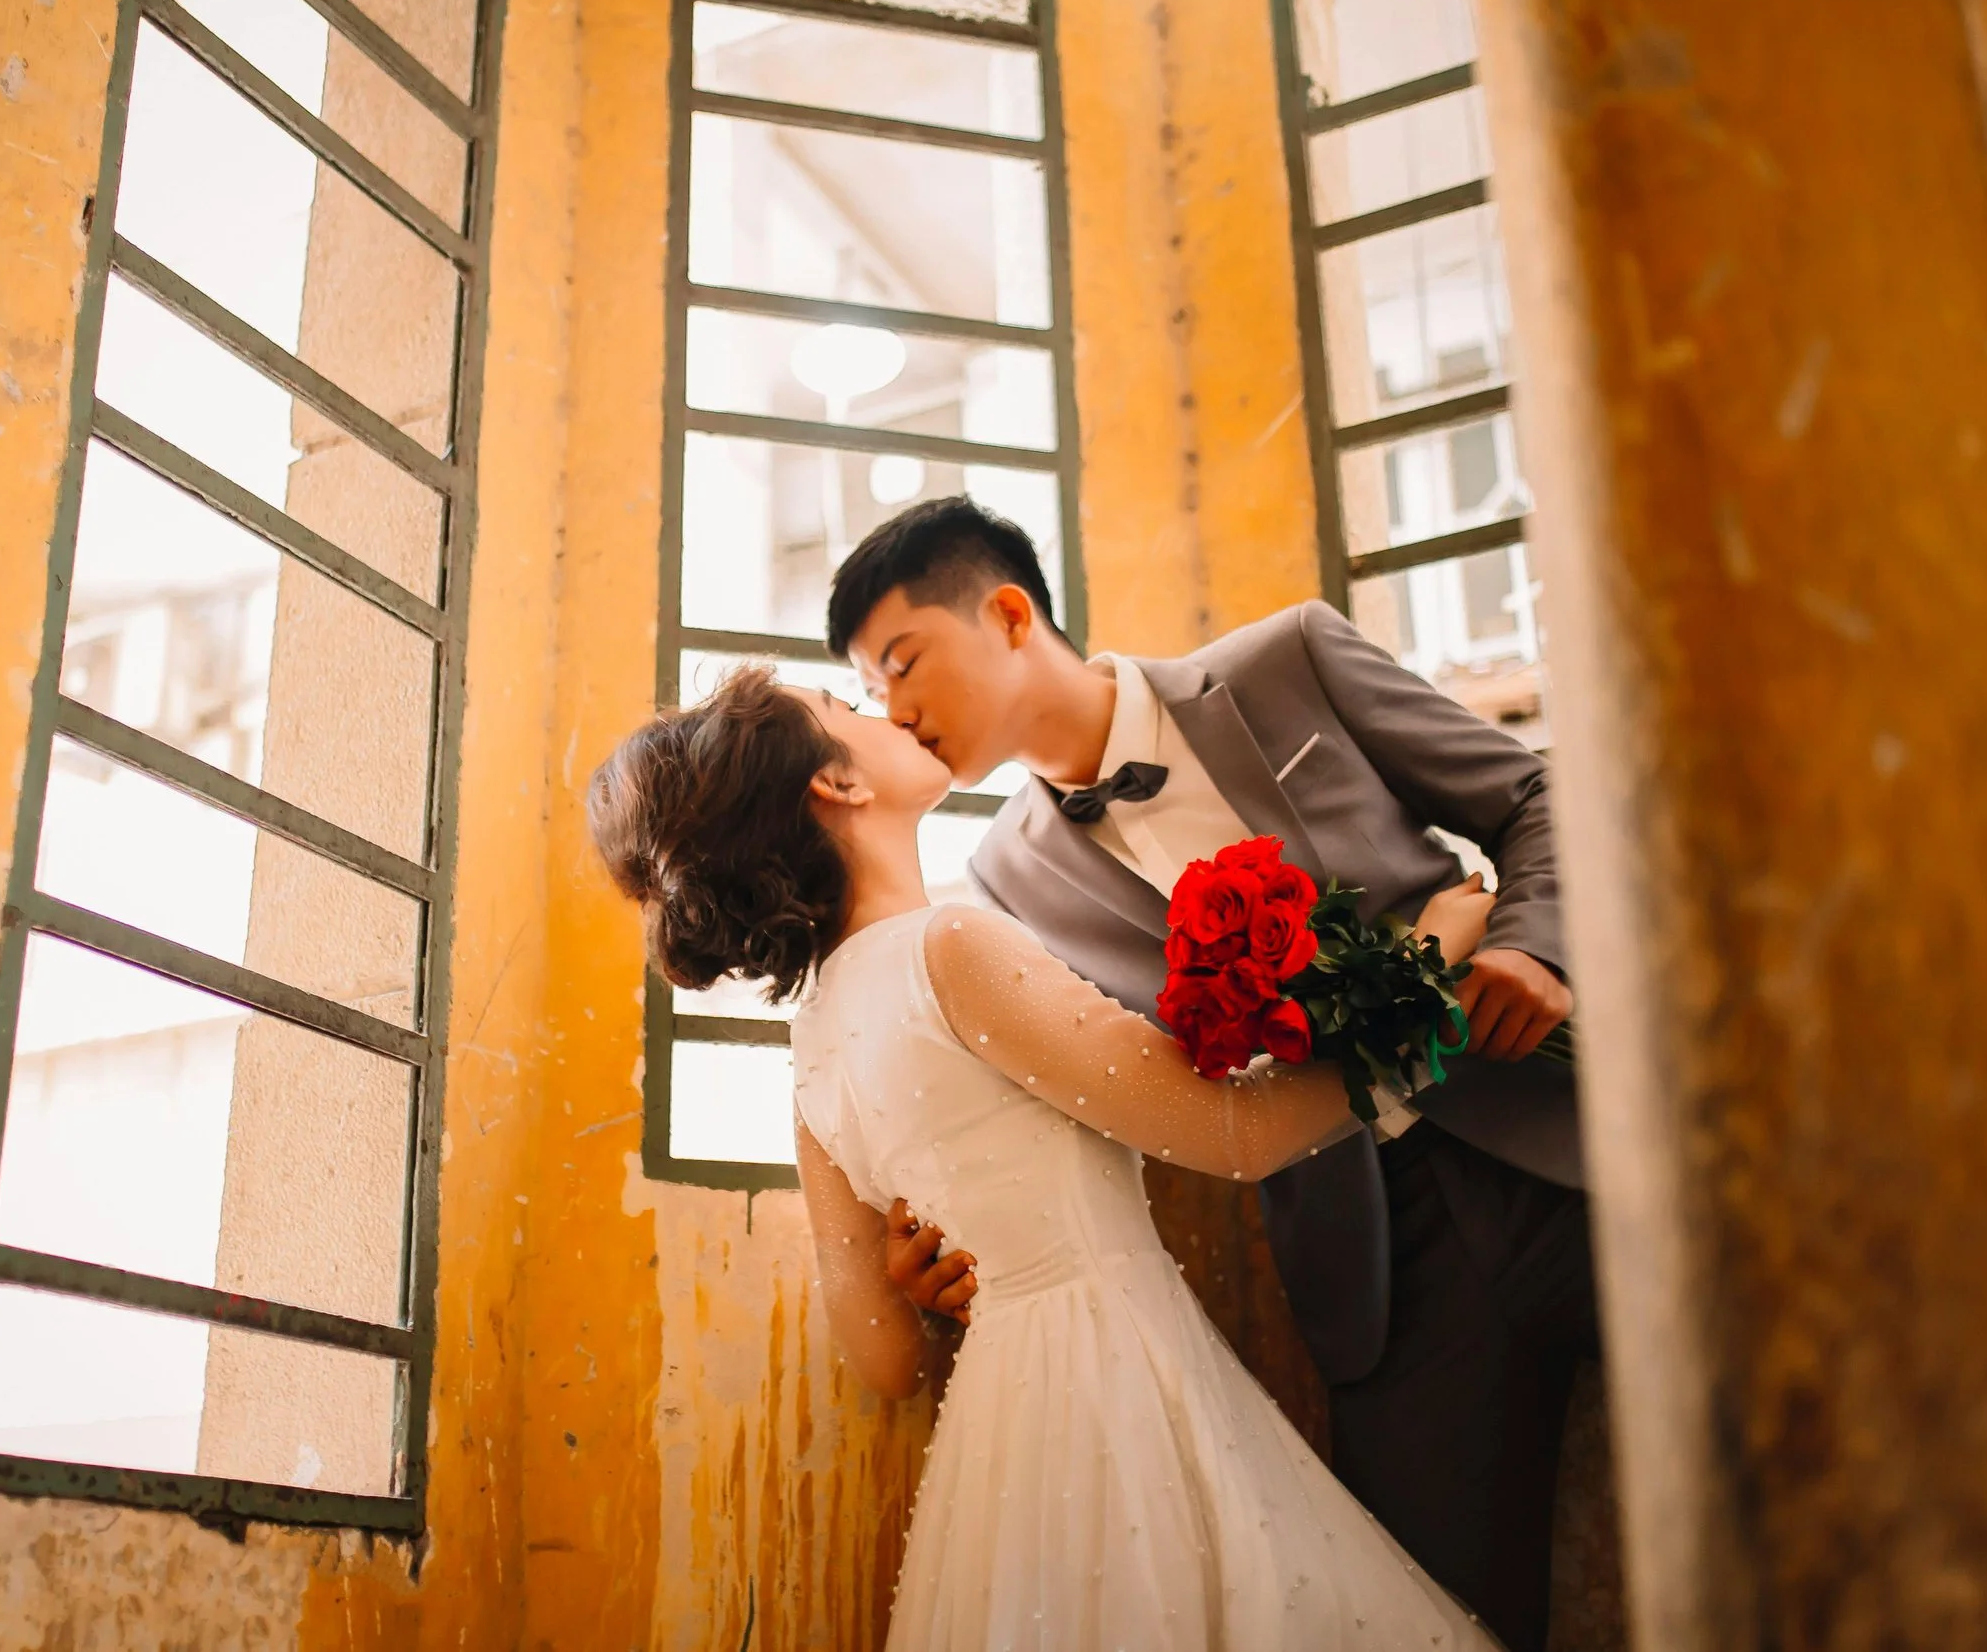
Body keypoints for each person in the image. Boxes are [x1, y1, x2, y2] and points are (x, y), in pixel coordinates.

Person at [589, 664, 1503, 1650]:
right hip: (1112, 1384)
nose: (886, 709)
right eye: (849, 709)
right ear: (837, 784)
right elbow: (1237, 1135)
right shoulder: (952, 947)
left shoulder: (811, 1054)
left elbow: (884, 1356)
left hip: (998, 1435)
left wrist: (915, 1278)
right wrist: (1427, 971)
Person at [825, 496, 1599, 1652]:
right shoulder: (997, 894)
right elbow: (1078, 1100)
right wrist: (937, 1233)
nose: (894, 711)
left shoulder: (1288, 660)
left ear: (1005, 611)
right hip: (1380, 1263)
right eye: (870, 691)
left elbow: (1535, 798)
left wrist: (1533, 943)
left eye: (900, 663)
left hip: (1561, 1136)